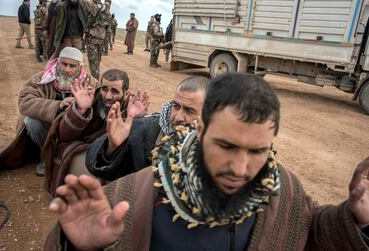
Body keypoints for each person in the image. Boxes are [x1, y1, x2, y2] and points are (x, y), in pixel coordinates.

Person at [47, 73, 369, 250]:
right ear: (201, 130)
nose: (241, 169)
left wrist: (352, 217)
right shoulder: (143, 195)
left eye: (258, 151)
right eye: (226, 146)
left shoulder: (283, 190)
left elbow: (309, 231)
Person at [42, 68, 149, 196]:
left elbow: (133, 153)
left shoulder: (133, 110)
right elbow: (64, 135)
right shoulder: (90, 99)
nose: (108, 96)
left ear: (126, 94)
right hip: (84, 152)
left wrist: (136, 120)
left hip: (113, 161)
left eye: (114, 91)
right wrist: (80, 110)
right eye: (104, 89)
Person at [0, 47, 97, 176]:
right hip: (47, 129)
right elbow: (25, 101)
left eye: (72, 66)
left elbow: (101, 101)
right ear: (58, 62)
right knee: (32, 122)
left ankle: (66, 155)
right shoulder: (41, 78)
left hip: (74, 131)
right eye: (64, 64)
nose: (67, 69)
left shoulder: (90, 83)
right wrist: (58, 105)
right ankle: (47, 157)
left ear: (80, 67)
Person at [86, 76, 209, 181]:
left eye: (189, 110)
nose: (178, 117)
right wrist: (112, 147)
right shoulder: (145, 128)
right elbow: (98, 165)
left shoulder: (217, 146)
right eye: (176, 106)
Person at [84, 0, 111, 79]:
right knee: (97, 62)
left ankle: (95, 82)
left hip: (92, 37)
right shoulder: (106, 9)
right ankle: (96, 79)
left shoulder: (91, 4)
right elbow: (108, 25)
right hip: (101, 38)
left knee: (93, 62)